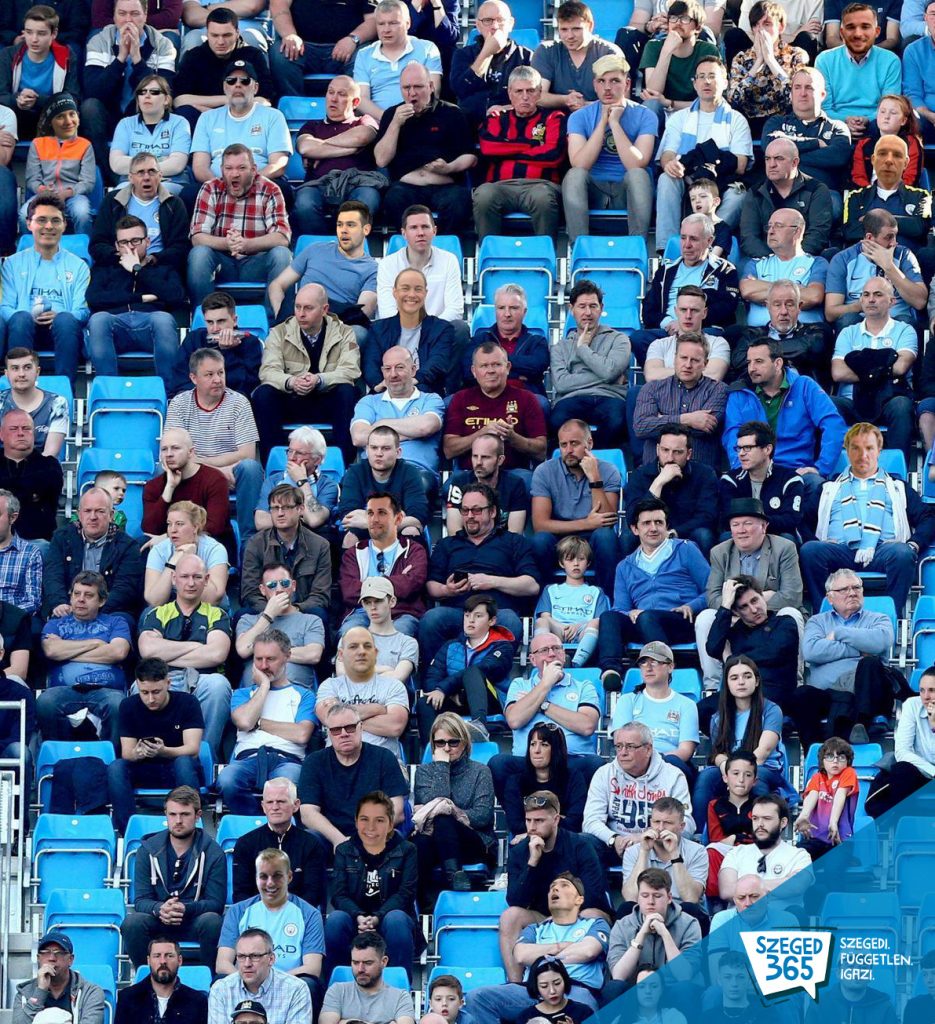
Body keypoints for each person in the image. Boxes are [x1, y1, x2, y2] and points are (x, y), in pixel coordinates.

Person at [802, 422, 933, 613]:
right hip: (840, 550)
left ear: (879, 450)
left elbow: (927, 517)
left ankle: (891, 616)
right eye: (856, 448)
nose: (863, 455)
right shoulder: (828, 488)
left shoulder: (897, 486)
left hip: (883, 550)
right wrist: (816, 540)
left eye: (869, 448)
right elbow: (802, 521)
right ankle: (825, 614)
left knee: (903, 552)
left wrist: (913, 543)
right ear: (847, 451)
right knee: (810, 550)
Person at [596, 497, 709, 691]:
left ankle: (663, 673)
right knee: (608, 617)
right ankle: (611, 671)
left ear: (667, 526)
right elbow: (620, 608)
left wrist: (691, 606)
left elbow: (712, 590)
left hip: (681, 619)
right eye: (646, 523)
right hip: (644, 622)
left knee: (647, 617)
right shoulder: (625, 566)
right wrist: (629, 613)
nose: (653, 528)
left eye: (659, 522)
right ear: (635, 529)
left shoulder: (685, 549)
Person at [466, 873, 609, 1020]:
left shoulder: (595, 924)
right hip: (532, 990)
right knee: (477, 998)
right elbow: (521, 956)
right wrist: (561, 947)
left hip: (575, 989)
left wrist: (542, 956)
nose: (555, 889)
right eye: (552, 887)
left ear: (579, 899)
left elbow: (588, 951)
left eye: (564, 886)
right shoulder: (535, 929)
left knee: (583, 1008)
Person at [502, 790, 609, 982]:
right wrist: (532, 862)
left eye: (539, 821)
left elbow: (594, 895)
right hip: (542, 918)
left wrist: (563, 914)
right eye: (528, 820)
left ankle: (583, 981)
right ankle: (516, 986)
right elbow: (515, 900)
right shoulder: (520, 852)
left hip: (580, 915)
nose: (532, 827)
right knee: (510, 917)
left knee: (592, 913)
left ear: (556, 819)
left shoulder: (580, 846)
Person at [421, 482, 539, 654]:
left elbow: (531, 585)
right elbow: (431, 586)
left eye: (476, 510)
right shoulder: (447, 544)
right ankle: (436, 670)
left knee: (510, 621)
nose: (470, 516)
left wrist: (491, 581)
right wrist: (447, 590)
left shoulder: (514, 542)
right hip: (458, 612)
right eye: (465, 510)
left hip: (497, 612)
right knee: (431, 619)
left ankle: (487, 670)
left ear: (492, 512)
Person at [164, 347, 264, 549]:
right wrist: (216, 473)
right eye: (209, 375)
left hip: (232, 473)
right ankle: (171, 537)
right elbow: (173, 453)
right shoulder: (179, 404)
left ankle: (250, 542)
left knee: (250, 468)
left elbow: (247, 454)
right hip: (193, 474)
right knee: (164, 469)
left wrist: (202, 463)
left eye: (221, 372)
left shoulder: (239, 403)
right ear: (193, 378)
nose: (218, 379)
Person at [722, 338, 847, 497]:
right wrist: (740, 469)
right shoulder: (740, 393)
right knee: (724, 487)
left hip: (796, 470)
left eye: (759, 361)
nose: (751, 368)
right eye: (749, 362)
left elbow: (833, 424)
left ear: (778, 363)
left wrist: (821, 468)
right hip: (753, 471)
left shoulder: (804, 386)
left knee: (815, 484)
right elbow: (732, 435)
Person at [252, 282, 360, 463]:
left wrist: (319, 379)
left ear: (324, 309)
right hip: (291, 399)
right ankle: (273, 464)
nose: (301, 314)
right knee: (263, 394)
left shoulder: (345, 333)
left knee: (348, 392)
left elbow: (351, 370)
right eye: (298, 307)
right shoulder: (278, 333)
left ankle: (344, 464)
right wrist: (291, 382)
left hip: (327, 400)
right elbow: (268, 371)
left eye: (308, 308)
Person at [653, 56, 752, 249]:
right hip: (687, 178)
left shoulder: (736, 119)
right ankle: (668, 248)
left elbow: (740, 164)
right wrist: (671, 164)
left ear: (725, 82)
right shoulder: (679, 118)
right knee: (666, 178)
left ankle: (709, 241)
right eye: (701, 76)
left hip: (721, 179)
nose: (707, 81)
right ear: (695, 83)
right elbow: (667, 155)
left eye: (712, 76)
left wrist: (701, 160)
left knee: (738, 195)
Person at [137, 553, 232, 753]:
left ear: (206, 580)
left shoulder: (217, 614)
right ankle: (152, 753)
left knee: (218, 685)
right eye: (184, 576)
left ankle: (205, 755)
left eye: (197, 577)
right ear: (174, 579)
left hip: (203, 679)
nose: (190, 583)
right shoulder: (157, 613)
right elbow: (148, 651)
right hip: (163, 678)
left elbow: (216, 654)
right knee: (139, 688)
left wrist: (166, 650)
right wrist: (196, 646)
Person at [121, 786, 225, 967]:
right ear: (166, 815)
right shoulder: (148, 850)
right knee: (132, 923)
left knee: (213, 921)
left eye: (185, 814)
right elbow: (141, 900)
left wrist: (185, 908)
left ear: (198, 815)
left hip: (194, 920)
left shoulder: (213, 852)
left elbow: (216, 903)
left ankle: (212, 978)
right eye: (173, 814)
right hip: (159, 920)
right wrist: (159, 908)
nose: (178, 821)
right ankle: (145, 976)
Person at [794, 568, 896, 749]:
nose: (852, 593)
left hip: (865, 695)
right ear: (830, 597)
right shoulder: (817, 622)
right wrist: (859, 648)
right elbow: (811, 651)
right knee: (802, 695)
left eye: (856, 588)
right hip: (827, 694)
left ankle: (861, 724)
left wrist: (839, 633)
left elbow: (881, 642)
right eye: (844, 589)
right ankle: (815, 751)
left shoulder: (879, 619)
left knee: (870, 662)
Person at [218, 630, 317, 813]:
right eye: (258, 659)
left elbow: (301, 734)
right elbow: (245, 722)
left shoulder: (304, 695)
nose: (263, 666)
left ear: (287, 656)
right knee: (226, 780)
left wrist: (259, 723)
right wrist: (264, 686)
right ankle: (252, 823)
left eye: (271, 659)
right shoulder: (242, 694)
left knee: (285, 787)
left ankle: (275, 825)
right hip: (247, 758)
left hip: (287, 759)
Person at [187, 142, 291, 317]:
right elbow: (197, 237)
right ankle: (204, 320)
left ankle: (274, 322)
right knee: (199, 254)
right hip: (222, 263)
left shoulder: (270, 189)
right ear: (221, 170)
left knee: (282, 255)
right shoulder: (210, 188)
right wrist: (227, 243)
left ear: (253, 169)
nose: (234, 174)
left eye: (241, 168)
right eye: (229, 168)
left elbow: (282, 237)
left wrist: (246, 244)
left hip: (256, 263)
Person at [561, 54, 655, 244]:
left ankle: (637, 245)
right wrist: (603, 122)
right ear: (595, 85)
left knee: (639, 174)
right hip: (593, 191)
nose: (607, 88)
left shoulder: (645, 115)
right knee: (574, 175)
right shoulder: (579, 117)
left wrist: (615, 123)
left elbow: (636, 163)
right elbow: (580, 163)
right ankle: (579, 246)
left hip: (627, 191)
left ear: (627, 84)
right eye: (601, 81)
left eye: (614, 81)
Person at [372, 62, 475, 233]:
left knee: (459, 200)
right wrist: (395, 124)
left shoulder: (452, 113)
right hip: (406, 187)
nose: (412, 93)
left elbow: (470, 156)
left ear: (431, 86)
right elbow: (381, 160)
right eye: (406, 88)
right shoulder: (392, 115)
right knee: (393, 199)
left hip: (445, 186)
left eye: (418, 87)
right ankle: (409, 245)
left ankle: (444, 244)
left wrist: (449, 167)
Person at [217, 849, 324, 1010]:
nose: (270, 883)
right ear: (256, 878)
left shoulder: (309, 914)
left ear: (289, 877)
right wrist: (250, 982)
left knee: (310, 985)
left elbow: (312, 968)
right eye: (263, 876)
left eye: (277, 876)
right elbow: (222, 963)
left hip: (289, 986)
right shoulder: (238, 911)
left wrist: (271, 983)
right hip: (245, 984)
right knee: (219, 982)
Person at [107, 657, 204, 833]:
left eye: (156, 692)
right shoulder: (129, 705)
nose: (151, 699)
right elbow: (127, 753)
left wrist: (164, 751)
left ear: (168, 683)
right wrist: (138, 753)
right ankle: (128, 831)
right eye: (144, 692)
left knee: (184, 762)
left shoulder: (187, 703)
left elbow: (193, 749)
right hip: (144, 768)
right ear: (137, 685)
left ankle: (191, 827)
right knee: (116, 767)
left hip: (178, 768)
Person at [327, 791, 420, 975]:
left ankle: (399, 985)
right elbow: (338, 894)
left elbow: (406, 894)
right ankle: (336, 983)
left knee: (396, 919)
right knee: (336, 920)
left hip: (390, 922)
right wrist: (358, 916)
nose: (371, 827)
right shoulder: (344, 850)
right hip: (355, 921)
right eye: (364, 819)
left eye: (379, 820)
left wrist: (377, 917)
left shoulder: (407, 850)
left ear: (390, 823)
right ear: (356, 821)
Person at [298, 703, 408, 856]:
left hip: (374, 835)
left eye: (350, 727)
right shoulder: (314, 762)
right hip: (330, 837)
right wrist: (340, 841)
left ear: (360, 727)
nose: (343, 734)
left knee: (395, 838)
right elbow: (308, 813)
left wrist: (360, 839)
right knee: (307, 840)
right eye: (336, 730)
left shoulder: (384, 757)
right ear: (328, 733)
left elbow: (397, 811)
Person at [86, 213, 186, 381]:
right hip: (115, 327)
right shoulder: (105, 268)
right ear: (116, 245)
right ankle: (108, 389)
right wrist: (140, 298)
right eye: (124, 242)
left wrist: (137, 270)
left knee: (163, 319)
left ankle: (169, 391)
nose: (130, 247)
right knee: (98, 320)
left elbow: (176, 296)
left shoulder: (164, 268)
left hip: (151, 326)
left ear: (147, 242)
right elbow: (93, 299)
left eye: (135, 241)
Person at [631, 213, 740, 367]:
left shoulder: (724, 270)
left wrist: (688, 324)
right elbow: (648, 310)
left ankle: (691, 378)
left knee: (720, 338)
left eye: (693, 239)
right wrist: (669, 323)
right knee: (638, 338)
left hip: (705, 332)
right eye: (683, 238)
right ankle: (666, 377)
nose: (686, 245)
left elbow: (727, 307)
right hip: (668, 332)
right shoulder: (665, 271)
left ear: (709, 241)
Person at [692, 654, 795, 817]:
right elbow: (718, 753)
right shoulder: (718, 717)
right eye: (734, 678)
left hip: (764, 768)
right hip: (730, 771)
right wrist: (728, 771)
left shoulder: (771, 710)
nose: (741, 682)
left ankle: (758, 830)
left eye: (747, 676)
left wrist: (739, 775)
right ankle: (699, 830)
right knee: (706, 777)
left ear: (757, 681)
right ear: (727, 683)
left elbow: (763, 752)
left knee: (756, 781)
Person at [473, 66, 567, 241]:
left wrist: (506, 151)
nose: (525, 97)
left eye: (530, 91)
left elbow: (554, 155)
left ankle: (545, 254)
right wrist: (533, 144)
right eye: (519, 91)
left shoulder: (554, 117)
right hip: (499, 186)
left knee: (542, 197)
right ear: (510, 93)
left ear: (539, 92)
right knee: (484, 194)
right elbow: (488, 148)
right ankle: (490, 254)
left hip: (540, 185)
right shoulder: (496, 117)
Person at [0, 195, 88, 382]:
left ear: (64, 225)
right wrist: (26, 315)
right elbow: (5, 307)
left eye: (55, 220)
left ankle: (65, 391)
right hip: (22, 329)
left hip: (62, 331)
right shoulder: (12, 264)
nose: (49, 226)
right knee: (20, 318)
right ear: (29, 224)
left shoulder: (79, 266)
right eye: (41, 220)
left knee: (66, 319)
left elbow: (82, 310)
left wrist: (59, 315)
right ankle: (18, 390)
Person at [38, 571, 131, 746]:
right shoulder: (55, 624)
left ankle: (112, 758)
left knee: (118, 704)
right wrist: (96, 643)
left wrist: (67, 650)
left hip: (107, 690)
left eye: (88, 595)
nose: (81, 599)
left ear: (102, 601)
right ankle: (58, 755)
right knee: (46, 701)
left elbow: (118, 652)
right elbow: (51, 650)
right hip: (64, 689)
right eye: (76, 594)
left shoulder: (116, 622)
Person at [830, 277, 916, 464]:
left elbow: (901, 367)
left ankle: (896, 472)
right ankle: (828, 470)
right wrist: (882, 366)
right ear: (861, 300)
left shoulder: (905, 330)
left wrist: (860, 364)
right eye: (866, 295)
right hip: (851, 401)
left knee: (902, 406)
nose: (871, 299)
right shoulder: (848, 332)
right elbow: (838, 372)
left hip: (889, 400)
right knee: (826, 404)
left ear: (892, 301)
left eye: (878, 295)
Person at [530, 419, 621, 593]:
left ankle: (607, 599)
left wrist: (595, 479)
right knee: (540, 540)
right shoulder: (544, 471)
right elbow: (540, 525)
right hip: (559, 538)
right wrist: (586, 523)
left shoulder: (608, 470)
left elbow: (607, 520)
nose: (568, 450)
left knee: (606, 537)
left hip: (592, 539)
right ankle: (543, 600)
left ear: (589, 443)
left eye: (574, 443)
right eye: (563, 445)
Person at [583, 722, 694, 863]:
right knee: (585, 843)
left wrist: (648, 837)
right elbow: (591, 820)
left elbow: (687, 824)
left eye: (630, 746)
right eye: (619, 746)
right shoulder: (604, 773)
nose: (622, 753)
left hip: (656, 845)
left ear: (648, 749)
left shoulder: (673, 776)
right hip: (615, 845)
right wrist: (613, 839)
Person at [413, 712, 495, 898]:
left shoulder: (480, 771)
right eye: (440, 743)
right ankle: (423, 903)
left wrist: (452, 811)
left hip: (474, 841)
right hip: (434, 840)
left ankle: (452, 876)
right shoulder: (424, 772)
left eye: (453, 742)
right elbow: (431, 809)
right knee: (420, 843)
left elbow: (482, 816)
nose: (446, 748)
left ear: (464, 742)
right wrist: (442, 767)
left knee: (443, 818)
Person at [417, 595, 515, 744]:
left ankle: (479, 726)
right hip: (455, 701)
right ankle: (431, 751)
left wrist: (444, 689)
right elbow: (432, 678)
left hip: (490, 702)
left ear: (492, 621)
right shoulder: (450, 646)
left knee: (473, 671)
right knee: (425, 702)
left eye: (478, 616)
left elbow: (485, 669)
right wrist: (449, 694)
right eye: (467, 615)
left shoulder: (502, 646)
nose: (471, 620)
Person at [290, 81, 382, 238]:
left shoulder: (363, 121)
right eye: (331, 92)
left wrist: (320, 148)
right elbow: (305, 147)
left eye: (342, 94)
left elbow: (361, 137)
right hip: (318, 183)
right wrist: (351, 149)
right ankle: (319, 245)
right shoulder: (312, 126)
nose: (333, 99)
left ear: (355, 102)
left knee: (367, 200)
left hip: (358, 182)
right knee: (304, 202)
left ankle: (348, 245)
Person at [698, 573, 801, 711]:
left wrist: (731, 659)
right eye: (744, 607)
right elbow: (712, 649)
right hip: (738, 695)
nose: (754, 609)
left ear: (762, 596)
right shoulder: (736, 631)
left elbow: (772, 653)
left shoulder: (784, 623)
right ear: (736, 612)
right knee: (700, 710)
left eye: (755, 600)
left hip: (774, 695)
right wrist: (725, 606)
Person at [270, 199, 377, 327]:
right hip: (300, 317)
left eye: (350, 225)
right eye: (340, 225)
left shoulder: (372, 269)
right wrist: (281, 318)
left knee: (357, 332)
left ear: (366, 229)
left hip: (338, 322)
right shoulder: (315, 250)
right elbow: (277, 285)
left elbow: (364, 311)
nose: (343, 230)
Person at [44, 487, 144, 621]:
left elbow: (125, 588)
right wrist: (60, 603)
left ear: (111, 515)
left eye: (100, 511)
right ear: (79, 514)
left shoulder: (128, 546)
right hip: (67, 609)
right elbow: (53, 576)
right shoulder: (61, 538)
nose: (93, 517)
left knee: (122, 623)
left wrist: (92, 610)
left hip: (110, 612)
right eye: (87, 511)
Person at [444, 342, 548, 472]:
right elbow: (449, 450)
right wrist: (482, 433)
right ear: (474, 371)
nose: (490, 371)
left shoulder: (527, 398)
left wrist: (513, 437)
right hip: (470, 474)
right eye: (484, 366)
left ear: (508, 367)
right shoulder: (461, 399)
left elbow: (541, 451)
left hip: (514, 474)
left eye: (497, 365)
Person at [549, 280, 631, 444]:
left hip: (610, 397)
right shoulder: (560, 347)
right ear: (571, 309)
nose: (588, 312)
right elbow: (562, 384)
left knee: (617, 421)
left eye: (593, 306)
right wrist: (609, 377)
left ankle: (597, 457)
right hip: (572, 398)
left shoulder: (619, 339)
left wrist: (583, 349)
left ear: (601, 308)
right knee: (557, 419)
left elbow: (610, 371)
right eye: (582, 306)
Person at [189, 60, 290, 193]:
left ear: (255, 88)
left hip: (258, 184)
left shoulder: (274, 116)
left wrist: (249, 183)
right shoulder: (207, 118)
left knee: (283, 190)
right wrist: (222, 187)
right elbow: (200, 167)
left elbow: (278, 164)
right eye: (231, 81)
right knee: (188, 193)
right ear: (224, 87)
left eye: (245, 81)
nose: (237, 85)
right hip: (217, 187)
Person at [607, 641, 699, 787]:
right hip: (634, 760)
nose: (648, 667)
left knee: (674, 764)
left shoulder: (686, 704)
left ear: (670, 667)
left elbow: (685, 750)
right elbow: (620, 741)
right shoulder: (627, 700)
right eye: (643, 662)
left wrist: (656, 762)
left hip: (670, 764)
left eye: (655, 662)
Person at [338, 492, 427, 634]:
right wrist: (396, 582)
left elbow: (412, 585)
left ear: (398, 519)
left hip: (401, 613)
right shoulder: (353, 553)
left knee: (398, 634)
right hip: (362, 613)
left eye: (382, 513)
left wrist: (368, 584)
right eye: (370, 513)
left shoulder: (414, 550)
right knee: (349, 632)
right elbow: (349, 591)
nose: (375, 519)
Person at [351, 347, 444, 481]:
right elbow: (358, 437)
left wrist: (381, 424)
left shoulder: (431, 399)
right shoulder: (368, 402)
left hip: (417, 472)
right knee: (351, 480)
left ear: (413, 370)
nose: (393, 374)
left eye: (399, 367)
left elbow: (425, 428)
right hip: (374, 474)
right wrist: (412, 432)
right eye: (387, 369)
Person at [625, 424, 719, 557]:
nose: (670, 458)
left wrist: (675, 532)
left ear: (688, 454)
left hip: (686, 534)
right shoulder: (640, 475)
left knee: (703, 534)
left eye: (677, 452)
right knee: (628, 537)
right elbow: (632, 518)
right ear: (657, 449)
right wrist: (658, 483)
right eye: (665, 450)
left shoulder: (705, 474)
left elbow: (707, 516)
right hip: (650, 534)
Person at [241, 485, 331, 622]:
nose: (280, 513)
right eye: (275, 508)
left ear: (300, 509)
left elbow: (320, 595)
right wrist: (271, 611)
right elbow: (250, 592)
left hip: (302, 612)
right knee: (242, 615)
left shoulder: (320, 545)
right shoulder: (255, 544)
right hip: (266, 612)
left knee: (319, 614)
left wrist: (294, 610)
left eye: (286, 507)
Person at [826, 210, 927, 331]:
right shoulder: (842, 259)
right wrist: (865, 305)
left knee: (905, 322)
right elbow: (831, 313)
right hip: (859, 324)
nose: (894, 243)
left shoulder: (904, 255)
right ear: (869, 237)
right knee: (848, 320)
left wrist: (889, 267)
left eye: (895, 235)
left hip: (896, 323)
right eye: (889, 237)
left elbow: (920, 302)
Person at [231, 779, 326, 907]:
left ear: (296, 805)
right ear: (263, 806)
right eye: (270, 802)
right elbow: (241, 895)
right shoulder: (245, 844)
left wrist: (285, 913)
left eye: (281, 801)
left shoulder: (311, 844)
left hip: (298, 914)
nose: (275, 807)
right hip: (256, 915)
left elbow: (312, 895)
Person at [605, 868, 701, 996]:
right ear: (638, 898)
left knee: (686, 988)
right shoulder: (622, 926)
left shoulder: (689, 924)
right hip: (637, 991)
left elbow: (684, 975)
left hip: (673, 990)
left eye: (657, 896)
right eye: (645, 896)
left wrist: (665, 934)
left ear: (669, 898)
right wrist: (641, 935)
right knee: (613, 988)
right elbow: (618, 975)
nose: (650, 901)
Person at [814, 3, 901, 141]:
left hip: (876, 124)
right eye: (850, 27)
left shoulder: (891, 61)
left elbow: (890, 106)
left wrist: (867, 120)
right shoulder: (824, 60)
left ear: (877, 32)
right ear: (841, 33)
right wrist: (844, 121)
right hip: (834, 125)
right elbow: (824, 108)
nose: (858, 34)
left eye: (865, 27)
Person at [316, 626, 409, 753]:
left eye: (367, 646)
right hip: (337, 760)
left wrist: (343, 717)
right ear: (341, 655)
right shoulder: (329, 686)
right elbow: (329, 718)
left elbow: (395, 726)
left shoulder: (393, 686)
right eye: (353, 647)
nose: (361, 652)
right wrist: (376, 709)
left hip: (382, 760)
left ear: (375, 653)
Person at [761, 66, 851, 196]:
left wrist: (785, 157)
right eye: (797, 87)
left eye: (809, 88)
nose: (802, 93)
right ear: (791, 93)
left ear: (822, 95)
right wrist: (815, 143)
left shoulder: (837, 127)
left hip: (823, 195)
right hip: (779, 194)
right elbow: (769, 145)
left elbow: (838, 157)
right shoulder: (777, 122)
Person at [842, 135, 933, 264]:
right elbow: (850, 231)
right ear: (873, 160)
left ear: (906, 163)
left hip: (907, 266)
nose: (889, 160)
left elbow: (919, 228)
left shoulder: (921, 196)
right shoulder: (855, 196)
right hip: (864, 264)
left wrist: (872, 221)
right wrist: (902, 224)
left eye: (897, 155)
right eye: (882, 154)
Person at [366, 268, 455, 399]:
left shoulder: (442, 329)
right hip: (386, 392)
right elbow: (371, 365)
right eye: (405, 288)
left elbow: (438, 362)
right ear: (395, 292)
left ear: (425, 293)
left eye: (418, 289)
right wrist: (380, 384)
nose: (412, 294)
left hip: (424, 394)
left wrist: (413, 381)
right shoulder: (378, 329)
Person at [90, 150, 189, 268]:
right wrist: (121, 258)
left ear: (160, 176)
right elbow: (97, 244)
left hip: (159, 266)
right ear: (131, 178)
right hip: (118, 264)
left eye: (152, 171)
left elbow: (181, 247)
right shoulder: (113, 201)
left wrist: (153, 259)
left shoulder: (173, 204)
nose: (146, 177)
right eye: (140, 172)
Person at [173, 9, 273, 126]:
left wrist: (226, 110)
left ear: (237, 33)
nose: (220, 42)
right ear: (207, 34)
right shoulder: (194, 56)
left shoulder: (253, 56)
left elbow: (264, 100)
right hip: (204, 117)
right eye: (215, 35)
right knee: (185, 112)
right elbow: (179, 100)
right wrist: (227, 103)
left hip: (244, 118)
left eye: (227, 35)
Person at [739, 211, 829, 339]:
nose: (771, 231)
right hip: (759, 336)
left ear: (797, 232)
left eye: (778, 226)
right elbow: (747, 290)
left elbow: (814, 296)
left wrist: (765, 289)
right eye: (769, 226)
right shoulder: (756, 263)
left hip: (804, 335)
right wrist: (796, 290)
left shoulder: (817, 263)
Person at [336, 427, 430, 548]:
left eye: (386, 448)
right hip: (367, 530)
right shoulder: (355, 472)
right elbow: (348, 516)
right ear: (367, 450)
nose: (379, 453)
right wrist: (395, 517)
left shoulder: (410, 472)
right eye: (374, 448)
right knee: (351, 536)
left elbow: (417, 518)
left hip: (397, 531)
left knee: (411, 530)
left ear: (398, 452)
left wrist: (368, 521)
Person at [142, 427, 233, 552]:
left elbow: (214, 526)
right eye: (164, 449)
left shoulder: (214, 479)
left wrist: (168, 537)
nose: (169, 454)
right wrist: (169, 488)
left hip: (207, 545)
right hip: (168, 548)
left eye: (175, 448)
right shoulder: (153, 486)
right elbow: (150, 530)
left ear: (191, 452)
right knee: (143, 543)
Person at [0, 5, 81, 142]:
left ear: (54, 34)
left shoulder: (67, 56)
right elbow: (1, 95)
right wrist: (17, 99)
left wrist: (38, 101)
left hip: (51, 116)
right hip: (17, 114)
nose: (34, 39)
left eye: (41, 33)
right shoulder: (8, 55)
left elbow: (72, 99)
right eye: (29, 32)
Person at [236, 564, 324, 689]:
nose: (279, 589)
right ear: (262, 589)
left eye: (284, 583)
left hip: (296, 691)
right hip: (255, 691)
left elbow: (313, 654)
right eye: (272, 585)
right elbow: (243, 649)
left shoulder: (311, 620)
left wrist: (265, 653)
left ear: (293, 586)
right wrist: (268, 615)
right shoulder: (248, 620)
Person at [718, 794, 811, 911]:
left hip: (782, 920)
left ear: (783, 822)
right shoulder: (736, 853)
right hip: (741, 920)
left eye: (767, 818)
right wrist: (779, 884)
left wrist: (745, 888)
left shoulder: (800, 856)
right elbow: (726, 891)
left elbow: (796, 885)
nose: (760, 824)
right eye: (755, 818)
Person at [726, 2, 808, 135]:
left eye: (767, 24)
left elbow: (797, 96)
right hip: (749, 122)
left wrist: (770, 60)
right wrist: (758, 63)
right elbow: (734, 99)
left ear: (780, 27)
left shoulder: (795, 55)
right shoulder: (741, 58)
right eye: (756, 25)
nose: (761, 30)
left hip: (785, 121)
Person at [498, 721, 590, 838]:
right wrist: (557, 819)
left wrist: (531, 823)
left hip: (564, 841)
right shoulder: (515, 781)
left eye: (544, 745)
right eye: (532, 744)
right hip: (528, 842)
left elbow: (574, 823)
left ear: (556, 749)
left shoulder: (573, 778)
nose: (536, 750)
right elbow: (515, 825)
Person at [21, 92, 95, 235]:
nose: (68, 121)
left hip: (73, 195)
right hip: (44, 195)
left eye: (72, 114)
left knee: (82, 213)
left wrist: (67, 193)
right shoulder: (38, 144)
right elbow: (32, 179)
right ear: (51, 121)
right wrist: (42, 190)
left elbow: (88, 182)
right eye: (60, 116)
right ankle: (31, 248)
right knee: (25, 214)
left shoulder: (85, 145)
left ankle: (85, 248)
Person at [353, 0, 441, 120]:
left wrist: (405, 118)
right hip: (378, 123)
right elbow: (362, 99)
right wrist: (389, 119)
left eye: (393, 23)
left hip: (419, 119)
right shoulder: (364, 54)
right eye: (381, 24)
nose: (386, 29)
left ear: (408, 23)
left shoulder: (427, 49)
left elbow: (433, 91)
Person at [450, 0, 533, 125]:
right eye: (488, 20)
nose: (495, 26)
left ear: (510, 24)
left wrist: (506, 110)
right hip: (471, 124)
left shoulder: (526, 57)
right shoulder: (463, 55)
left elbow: (535, 99)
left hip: (513, 124)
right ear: (478, 25)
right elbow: (460, 90)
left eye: (500, 20)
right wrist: (486, 53)